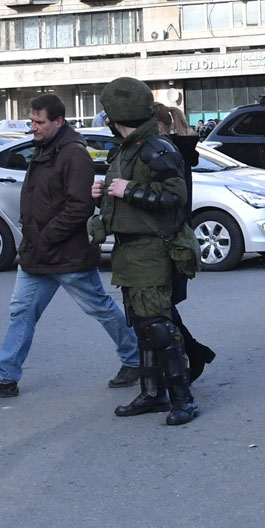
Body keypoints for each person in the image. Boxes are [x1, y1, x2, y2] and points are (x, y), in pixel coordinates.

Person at [0, 93, 142, 398]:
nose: (32, 127)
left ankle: (136, 357)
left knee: (99, 307)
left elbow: (79, 206)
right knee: (21, 310)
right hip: (38, 253)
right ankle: (5, 376)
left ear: (58, 122)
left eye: (39, 122)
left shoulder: (73, 154)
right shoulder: (46, 147)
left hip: (66, 253)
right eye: (31, 121)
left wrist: (46, 237)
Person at [90, 77, 200, 426]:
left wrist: (129, 190)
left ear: (116, 115)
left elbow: (175, 198)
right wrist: (104, 191)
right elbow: (124, 193)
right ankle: (152, 393)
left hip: (153, 250)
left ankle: (183, 399)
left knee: (159, 327)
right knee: (141, 326)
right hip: (128, 251)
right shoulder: (126, 149)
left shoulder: (157, 148)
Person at [153, 102, 217, 381]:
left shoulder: (168, 154)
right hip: (175, 237)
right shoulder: (175, 151)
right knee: (160, 307)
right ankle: (189, 355)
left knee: (159, 308)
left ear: (157, 127)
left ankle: (190, 355)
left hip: (171, 238)